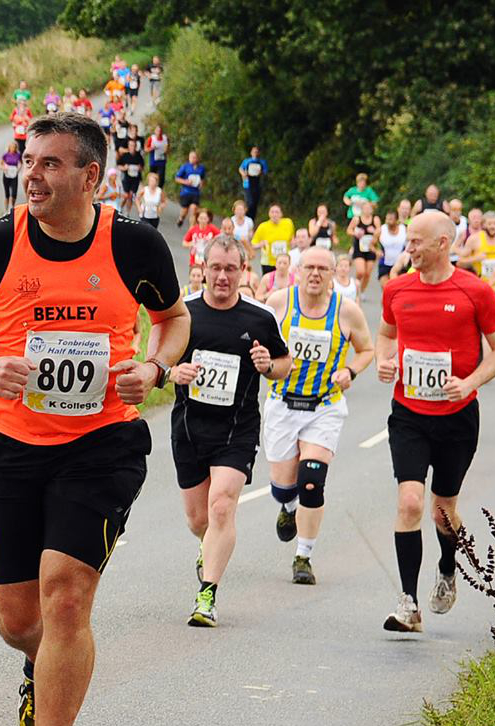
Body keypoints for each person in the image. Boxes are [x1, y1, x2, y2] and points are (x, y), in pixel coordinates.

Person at [0, 112, 188, 726]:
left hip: (100, 444)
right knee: (18, 621)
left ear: (89, 177)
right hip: (9, 446)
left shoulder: (132, 244)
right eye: (26, 160)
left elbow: (172, 318)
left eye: (46, 164)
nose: (29, 174)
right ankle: (40, 672)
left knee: (65, 598)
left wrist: (153, 366)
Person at [374, 211, 495, 632]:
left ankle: (447, 567)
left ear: (444, 243)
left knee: (443, 512)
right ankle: (408, 604)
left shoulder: (475, 292)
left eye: (416, 243)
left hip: (458, 417)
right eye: (407, 241)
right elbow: (387, 335)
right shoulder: (396, 289)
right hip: (408, 413)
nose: (409, 249)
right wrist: (384, 361)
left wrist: (471, 381)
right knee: (409, 501)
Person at [168, 235, 291, 626]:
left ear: (243, 271)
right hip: (188, 428)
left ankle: (207, 596)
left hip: (236, 431)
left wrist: (267, 365)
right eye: (216, 268)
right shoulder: (181, 314)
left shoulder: (259, 318)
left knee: (222, 505)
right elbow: (155, 361)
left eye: (231, 269)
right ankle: (208, 548)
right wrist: (173, 372)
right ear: (203, 268)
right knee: (198, 520)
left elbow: (284, 362)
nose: (222, 276)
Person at [263, 246, 376, 584]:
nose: (315, 274)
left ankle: (303, 556)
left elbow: (367, 349)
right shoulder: (279, 303)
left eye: (322, 269)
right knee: (284, 488)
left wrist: (351, 372)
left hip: (323, 406)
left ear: (332, 275)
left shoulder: (347, 311)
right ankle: (288, 507)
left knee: (312, 479)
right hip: (283, 403)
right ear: (298, 270)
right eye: (309, 267)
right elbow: (256, 339)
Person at [348, 201, 380, 294]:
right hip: (359, 248)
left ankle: (361, 291)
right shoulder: (357, 219)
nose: (367, 210)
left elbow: (379, 231)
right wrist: (355, 233)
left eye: (369, 208)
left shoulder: (375, 219)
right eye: (365, 208)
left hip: (371, 248)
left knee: (367, 273)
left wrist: (374, 232)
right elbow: (349, 230)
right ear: (362, 209)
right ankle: (354, 288)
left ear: (372, 210)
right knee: (361, 271)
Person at [251, 204, 292, 277]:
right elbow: (253, 244)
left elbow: (292, 238)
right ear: (269, 214)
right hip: (268, 262)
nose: (274, 214)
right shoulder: (263, 226)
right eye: (272, 212)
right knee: (269, 284)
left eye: (277, 212)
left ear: (281, 214)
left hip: (283, 261)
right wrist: (260, 244)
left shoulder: (288, 223)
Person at [174, 151, 205, 227]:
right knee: (185, 210)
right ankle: (181, 218)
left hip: (196, 193)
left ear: (197, 159)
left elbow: (203, 179)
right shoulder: (185, 166)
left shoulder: (201, 168)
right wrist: (185, 182)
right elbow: (177, 178)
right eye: (190, 157)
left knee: (194, 210)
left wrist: (201, 184)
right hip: (186, 192)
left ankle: (191, 229)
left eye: (193, 157)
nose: (191, 159)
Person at [379, 209, 410, 282]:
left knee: (397, 287)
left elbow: (411, 242)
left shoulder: (404, 229)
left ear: (396, 220)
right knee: (386, 287)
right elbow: (372, 243)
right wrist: (377, 251)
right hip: (385, 262)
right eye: (387, 219)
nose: (388, 221)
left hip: (400, 263)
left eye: (390, 219)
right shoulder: (381, 230)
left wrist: (407, 254)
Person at [238, 147, 267, 219]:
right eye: (254, 151)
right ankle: (245, 218)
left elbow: (265, 172)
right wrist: (244, 174)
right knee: (249, 203)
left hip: (257, 185)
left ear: (259, 153)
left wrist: (261, 172)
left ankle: (251, 221)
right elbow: (241, 169)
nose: (255, 153)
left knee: (255, 204)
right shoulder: (246, 161)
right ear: (251, 152)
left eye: (257, 152)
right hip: (248, 184)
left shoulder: (262, 162)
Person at [145, 127, 168, 196]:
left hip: (162, 161)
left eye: (160, 131)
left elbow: (167, 148)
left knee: (161, 178)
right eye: (157, 130)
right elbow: (146, 149)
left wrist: (166, 151)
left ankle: (158, 192)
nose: (159, 132)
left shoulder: (165, 138)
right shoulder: (151, 138)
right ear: (155, 131)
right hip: (153, 161)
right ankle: (149, 190)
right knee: (152, 177)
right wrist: (152, 148)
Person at [0, 141, 22, 210]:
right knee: (7, 194)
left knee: (14, 193)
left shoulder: (18, 155)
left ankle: (12, 207)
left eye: (14, 147)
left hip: (14, 175)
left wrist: (18, 169)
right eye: (12, 147)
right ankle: (6, 210)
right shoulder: (5, 155)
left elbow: (21, 163)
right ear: (9, 148)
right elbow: (0, 164)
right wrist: (4, 168)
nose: (13, 149)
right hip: (7, 175)